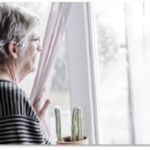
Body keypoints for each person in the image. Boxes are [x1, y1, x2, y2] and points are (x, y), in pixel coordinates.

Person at [0, 3, 51, 145]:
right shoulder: (8, 93)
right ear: (14, 49)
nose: (40, 48)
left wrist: (28, 121)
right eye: (35, 40)